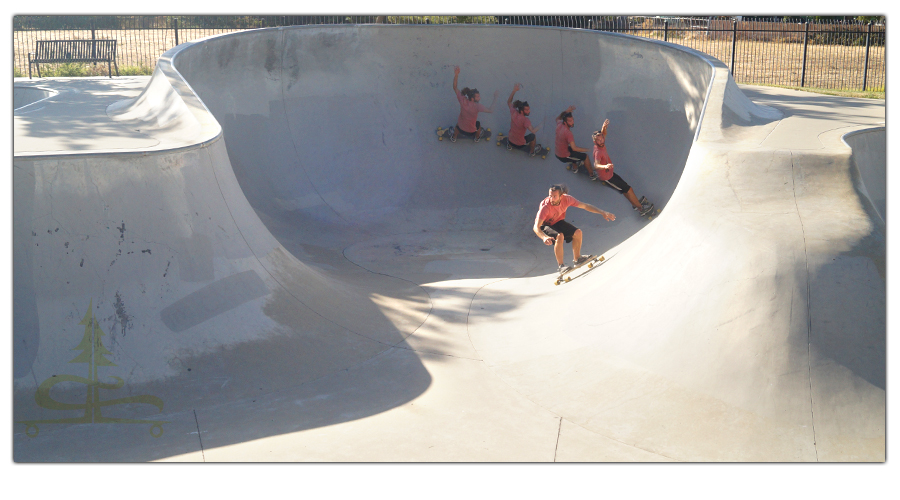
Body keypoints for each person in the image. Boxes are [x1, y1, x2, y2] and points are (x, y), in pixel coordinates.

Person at [533, 184, 616, 274]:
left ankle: (577, 259)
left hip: (557, 222)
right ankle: (561, 266)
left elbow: (585, 206)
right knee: (559, 236)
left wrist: (602, 212)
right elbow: (536, 227)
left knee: (578, 232)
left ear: (561, 196)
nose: (551, 199)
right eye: (550, 196)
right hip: (545, 225)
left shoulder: (567, 199)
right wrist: (544, 237)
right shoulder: (545, 207)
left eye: (554, 196)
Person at [592, 119, 654, 216]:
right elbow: (596, 165)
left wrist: (603, 127)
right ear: (595, 141)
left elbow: (603, 134)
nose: (601, 141)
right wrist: (605, 166)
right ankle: (641, 209)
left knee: (624, 190)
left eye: (602, 139)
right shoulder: (598, 151)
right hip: (607, 178)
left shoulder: (602, 142)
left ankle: (635, 204)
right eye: (599, 140)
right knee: (628, 189)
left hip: (611, 174)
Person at [450, 65, 497, 142]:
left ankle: (454, 137)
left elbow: (455, 87)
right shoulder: (478, 106)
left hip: (461, 128)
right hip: (472, 131)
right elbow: (490, 110)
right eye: (478, 97)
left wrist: (456, 74)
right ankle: (477, 138)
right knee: (478, 125)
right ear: (472, 99)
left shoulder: (463, 100)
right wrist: (495, 98)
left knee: (457, 125)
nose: (480, 98)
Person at [554, 105, 597, 179]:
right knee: (585, 156)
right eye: (570, 121)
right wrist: (588, 149)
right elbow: (574, 148)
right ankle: (592, 175)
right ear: (565, 122)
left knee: (573, 153)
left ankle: (575, 168)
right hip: (563, 156)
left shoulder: (559, 124)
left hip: (558, 151)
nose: (572, 122)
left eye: (573, 120)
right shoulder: (568, 133)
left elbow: (557, 118)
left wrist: (566, 111)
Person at [506, 83, 542, 155]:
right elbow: (533, 131)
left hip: (510, 140)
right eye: (527, 110)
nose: (529, 111)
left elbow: (509, 102)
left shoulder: (513, 112)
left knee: (513, 132)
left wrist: (514, 91)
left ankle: (509, 146)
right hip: (520, 145)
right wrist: (542, 123)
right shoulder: (526, 120)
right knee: (532, 136)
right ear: (522, 111)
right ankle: (532, 152)